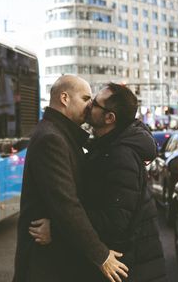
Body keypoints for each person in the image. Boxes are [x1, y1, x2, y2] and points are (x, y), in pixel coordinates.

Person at [30, 83, 167, 282]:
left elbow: (115, 221)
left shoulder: (120, 156)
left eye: (93, 103)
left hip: (128, 270)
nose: (88, 106)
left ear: (109, 118)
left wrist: (57, 230)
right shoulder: (106, 147)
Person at [13, 75, 128, 282]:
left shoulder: (62, 135)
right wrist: (101, 256)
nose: (90, 105)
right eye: (85, 98)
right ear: (64, 98)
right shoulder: (52, 139)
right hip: (44, 266)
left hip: (53, 260)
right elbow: (66, 204)